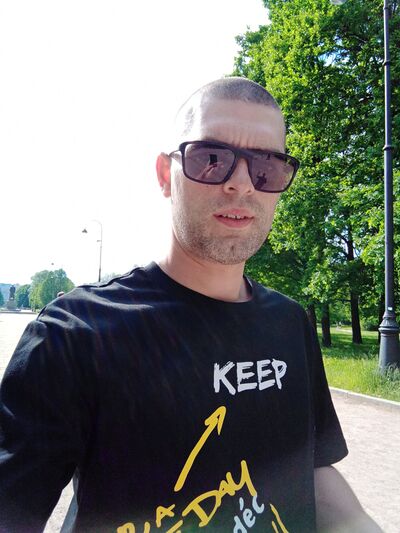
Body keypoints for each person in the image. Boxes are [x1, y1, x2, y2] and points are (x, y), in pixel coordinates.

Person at [0, 77, 382, 533]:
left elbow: (313, 468)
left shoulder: (290, 323)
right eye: (212, 158)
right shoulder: (76, 335)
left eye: (267, 166)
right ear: (166, 175)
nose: (242, 184)